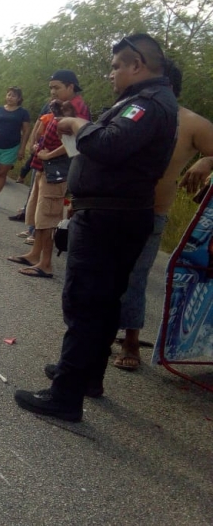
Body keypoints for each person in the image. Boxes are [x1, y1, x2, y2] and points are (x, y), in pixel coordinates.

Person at [14, 33, 179, 421]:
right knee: (102, 304)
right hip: (112, 214)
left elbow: (109, 144)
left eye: (117, 66)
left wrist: (76, 123)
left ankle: (65, 395)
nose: (111, 74)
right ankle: (86, 376)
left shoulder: (147, 105)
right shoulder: (144, 102)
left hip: (109, 217)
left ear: (136, 65)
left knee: (86, 303)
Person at [115, 61, 213, 371]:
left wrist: (207, 161)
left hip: (150, 213)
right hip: (108, 209)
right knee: (101, 276)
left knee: (134, 278)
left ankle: (131, 340)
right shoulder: (127, 111)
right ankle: (99, 333)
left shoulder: (191, 123)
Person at [6, 70, 90, 278]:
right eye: (51, 87)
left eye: (57, 87)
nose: (52, 91)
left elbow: (75, 144)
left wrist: (48, 155)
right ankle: (35, 254)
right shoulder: (60, 105)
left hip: (57, 169)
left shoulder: (78, 108)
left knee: (49, 216)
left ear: (71, 87)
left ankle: (46, 264)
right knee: (39, 214)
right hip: (45, 166)